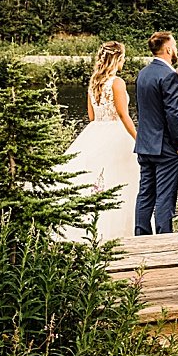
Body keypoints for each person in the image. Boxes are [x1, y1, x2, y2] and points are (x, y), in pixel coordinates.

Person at [60, 40, 141, 240]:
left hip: (95, 132)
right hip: (117, 134)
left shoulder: (94, 81)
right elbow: (123, 115)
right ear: (117, 58)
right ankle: (123, 234)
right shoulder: (117, 82)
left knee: (94, 180)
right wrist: (139, 139)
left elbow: (91, 116)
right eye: (123, 58)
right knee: (123, 182)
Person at [133, 30, 178, 235]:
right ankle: (165, 244)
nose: (176, 50)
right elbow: (174, 114)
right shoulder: (169, 75)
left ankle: (141, 241)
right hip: (166, 148)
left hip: (145, 145)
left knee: (145, 195)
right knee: (165, 198)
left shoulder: (143, 73)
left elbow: (142, 110)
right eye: (174, 46)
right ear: (167, 49)